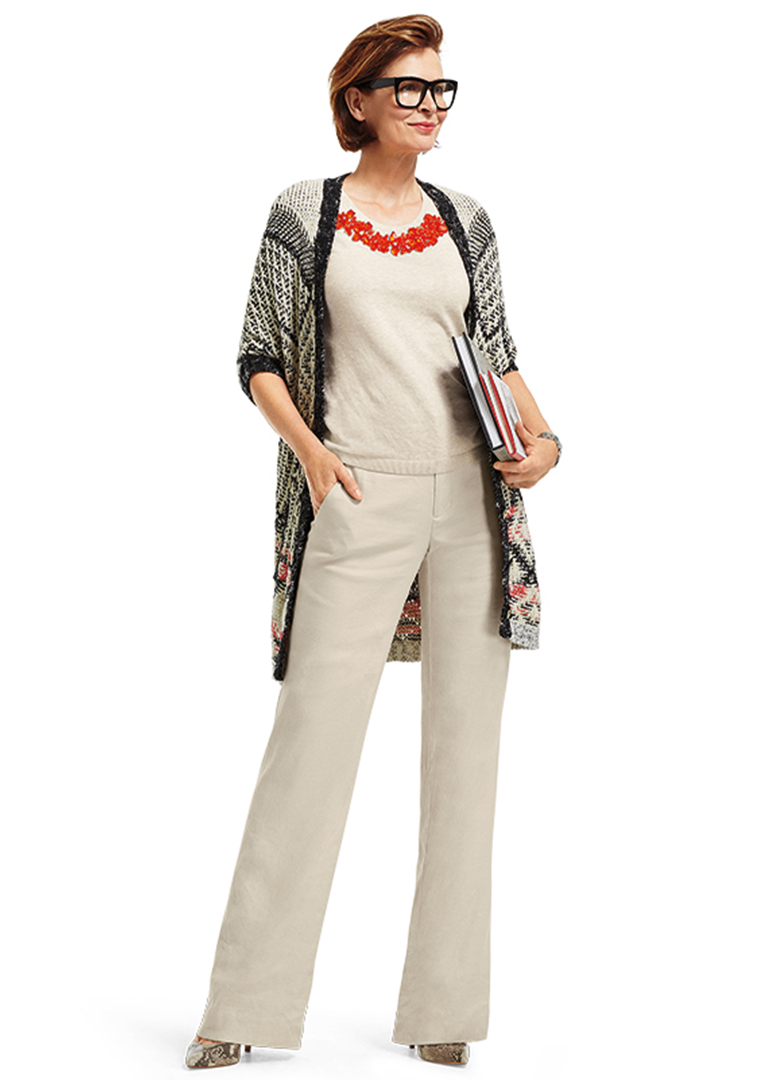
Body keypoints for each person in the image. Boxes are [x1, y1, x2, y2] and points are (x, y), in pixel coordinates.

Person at [185, 13, 560, 1070]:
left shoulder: (465, 217)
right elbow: (259, 355)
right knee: (311, 746)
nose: (430, 106)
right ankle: (242, 1009)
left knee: (466, 759)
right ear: (358, 100)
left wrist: (545, 440)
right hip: (356, 489)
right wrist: (311, 454)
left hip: (473, 498)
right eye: (409, 89)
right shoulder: (305, 212)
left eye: (442, 89)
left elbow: (497, 350)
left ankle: (444, 1011)